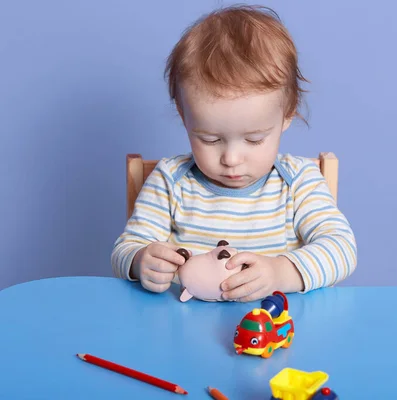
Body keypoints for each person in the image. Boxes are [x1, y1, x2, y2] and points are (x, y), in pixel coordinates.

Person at [110, 5, 357, 302]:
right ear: (184, 116)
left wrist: (281, 273)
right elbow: (125, 248)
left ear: (286, 116)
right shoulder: (170, 180)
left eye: (254, 140)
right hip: (181, 334)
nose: (231, 159)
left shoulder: (299, 182)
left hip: (273, 331)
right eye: (210, 139)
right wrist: (140, 261)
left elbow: (342, 249)